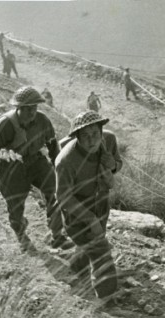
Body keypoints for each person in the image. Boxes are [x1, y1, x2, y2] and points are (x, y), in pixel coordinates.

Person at [0, 86, 73, 253]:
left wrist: (58, 167)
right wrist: (12, 157)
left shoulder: (43, 121)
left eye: (34, 107)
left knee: (55, 193)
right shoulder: (6, 124)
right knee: (15, 204)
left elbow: (52, 145)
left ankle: (57, 236)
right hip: (12, 167)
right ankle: (21, 234)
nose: (32, 112)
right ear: (19, 108)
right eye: (27, 109)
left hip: (37, 162)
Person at [55, 110, 123, 298]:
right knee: (101, 250)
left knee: (91, 243)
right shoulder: (66, 161)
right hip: (77, 211)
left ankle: (78, 266)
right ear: (76, 137)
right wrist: (90, 219)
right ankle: (106, 297)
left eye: (95, 134)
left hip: (100, 202)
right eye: (85, 136)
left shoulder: (108, 140)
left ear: (101, 131)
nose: (92, 140)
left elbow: (118, 163)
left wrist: (113, 166)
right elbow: (63, 197)